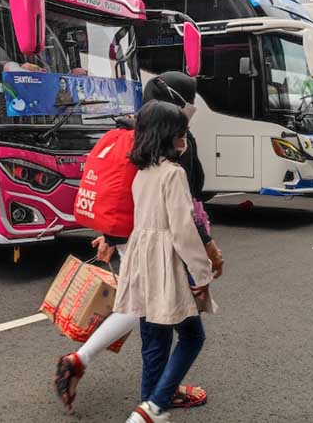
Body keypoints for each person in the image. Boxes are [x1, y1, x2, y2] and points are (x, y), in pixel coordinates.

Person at [54, 72, 222, 412]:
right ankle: (154, 403)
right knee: (173, 325)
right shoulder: (172, 155)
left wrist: (111, 235)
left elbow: (124, 196)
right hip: (165, 252)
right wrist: (205, 263)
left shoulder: (134, 137)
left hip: (134, 240)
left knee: (145, 321)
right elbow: (184, 216)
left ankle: (144, 393)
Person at [117, 100, 216, 423]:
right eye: (180, 131)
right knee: (192, 336)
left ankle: (146, 407)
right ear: (166, 134)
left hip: (142, 261)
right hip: (166, 265)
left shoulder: (142, 173)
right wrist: (202, 273)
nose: (185, 135)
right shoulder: (173, 174)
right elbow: (183, 231)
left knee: (154, 342)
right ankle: (155, 405)